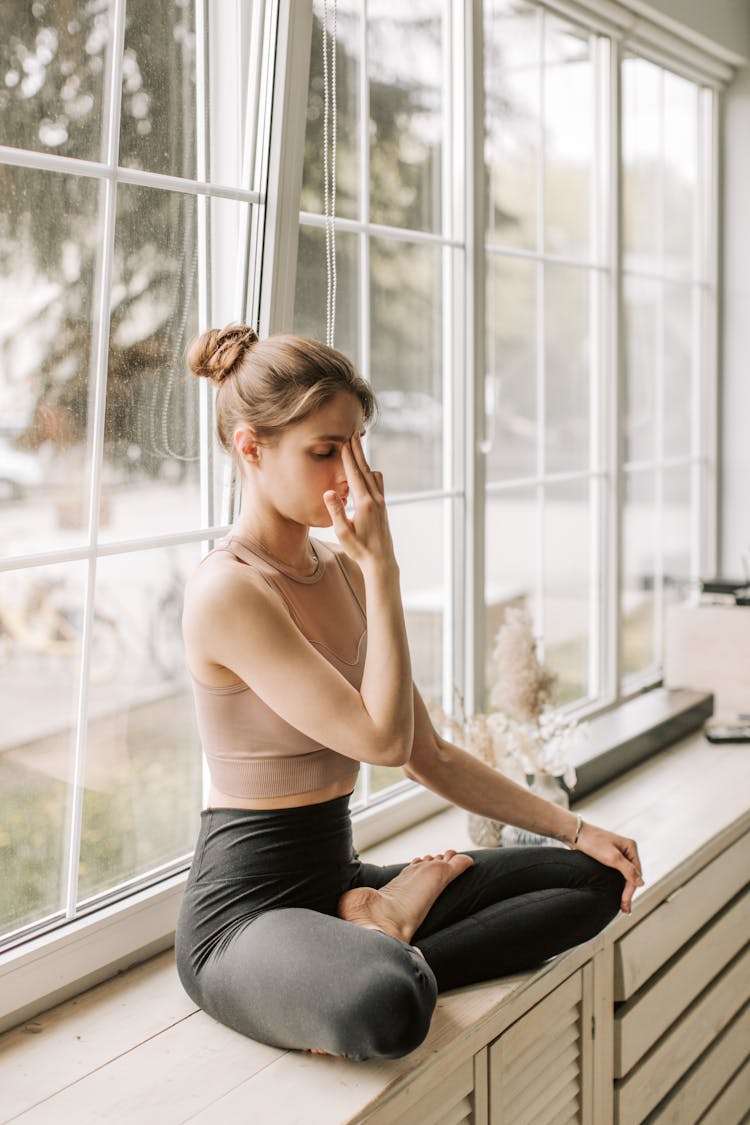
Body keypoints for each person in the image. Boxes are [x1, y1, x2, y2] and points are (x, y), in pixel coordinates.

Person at [175, 325, 644, 1062]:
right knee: (389, 1003)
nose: (352, 478)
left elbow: (428, 755)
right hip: (247, 913)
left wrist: (577, 829)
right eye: (324, 451)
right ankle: (381, 943)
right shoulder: (229, 590)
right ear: (250, 448)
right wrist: (385, 567)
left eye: (358, 447)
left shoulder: (343, 572)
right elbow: (381, 743)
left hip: (339, 878)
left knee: (592, 883)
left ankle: (377, 928)